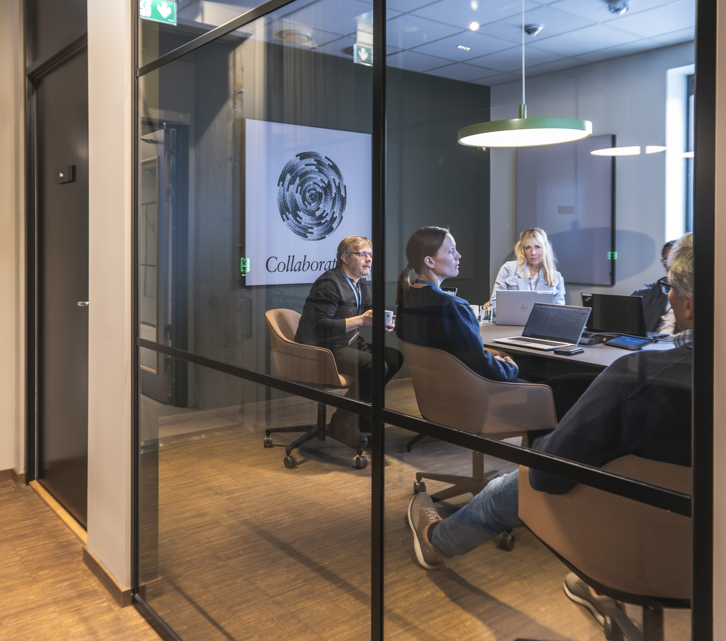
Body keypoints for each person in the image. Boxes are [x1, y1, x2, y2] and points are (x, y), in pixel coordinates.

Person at [408, 232, 695, 571]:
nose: (668, 295)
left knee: (530, 464)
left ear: (689, 304)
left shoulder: (636, 378)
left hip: (633, 543)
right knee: (562, 387)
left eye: (670, 288)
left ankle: (438, 540)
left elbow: (545, 475)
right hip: (687, 545)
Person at [295, 236, 404, 447]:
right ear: (345, 257)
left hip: (347, 343)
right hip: (323, 348)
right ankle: (343, 421)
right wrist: (361, 320)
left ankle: (362, 416)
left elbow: (370, 308)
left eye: (371, 255)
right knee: (376, 365)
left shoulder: (359, 281)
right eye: (362, 254)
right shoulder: (329, 283)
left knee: (393, 358)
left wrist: (384, 320)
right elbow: (319, 326)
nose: (369, 260)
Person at [395, 226, 518, 382]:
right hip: (474, 389)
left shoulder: (406, 299)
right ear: (429, 261)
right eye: (451, 251)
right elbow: (478, 362)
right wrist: (511, 368)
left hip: (442, 389)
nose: (458, 256)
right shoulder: (452, 305)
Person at [489, 228, 565, 308]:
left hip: (541, 321)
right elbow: (495, 304)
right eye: (528, 247)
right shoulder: (508, 269)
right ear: (523, 250)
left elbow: (558, 312)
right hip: (511, 320)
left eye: (537, 247)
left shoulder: (557, 277)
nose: (533, 253)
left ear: (545, 249)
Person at [633, 239, 677, 335]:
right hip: (653, 343)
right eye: (670, 260)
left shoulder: (691, 295)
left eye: (678, 260)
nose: (674, 265)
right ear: (663, 263)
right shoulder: (645, 296)